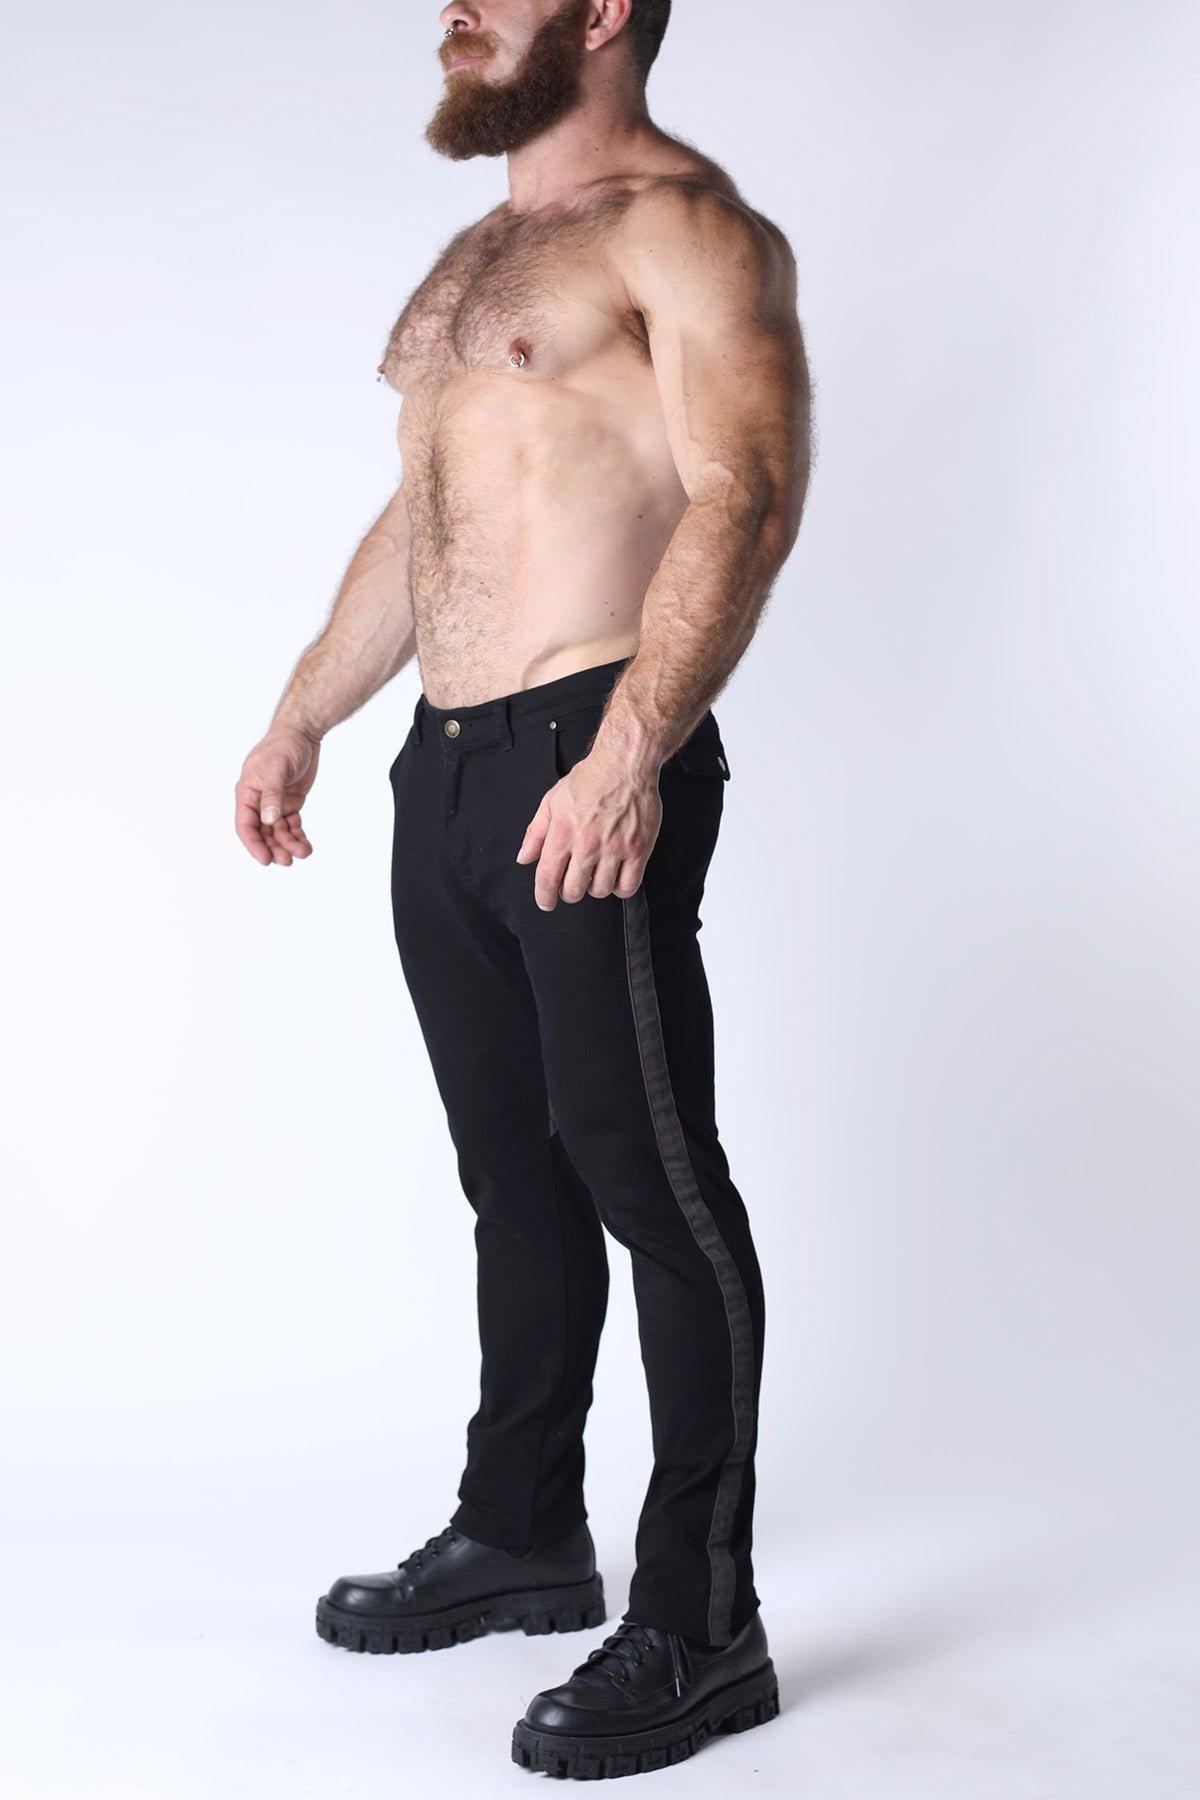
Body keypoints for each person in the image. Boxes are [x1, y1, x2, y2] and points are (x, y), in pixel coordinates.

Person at [234, 0, 812, 1780]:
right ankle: (522, 1531)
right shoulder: (482, 252)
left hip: (589, 753)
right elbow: (427, 515)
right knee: (515, 1180)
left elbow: (744, 491)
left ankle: (704, 1625)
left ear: (608, 10)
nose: (455, 9)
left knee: (655, 1184)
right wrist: (306, 711)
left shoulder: (688, 229)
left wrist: (632, 751)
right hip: (450, 770)